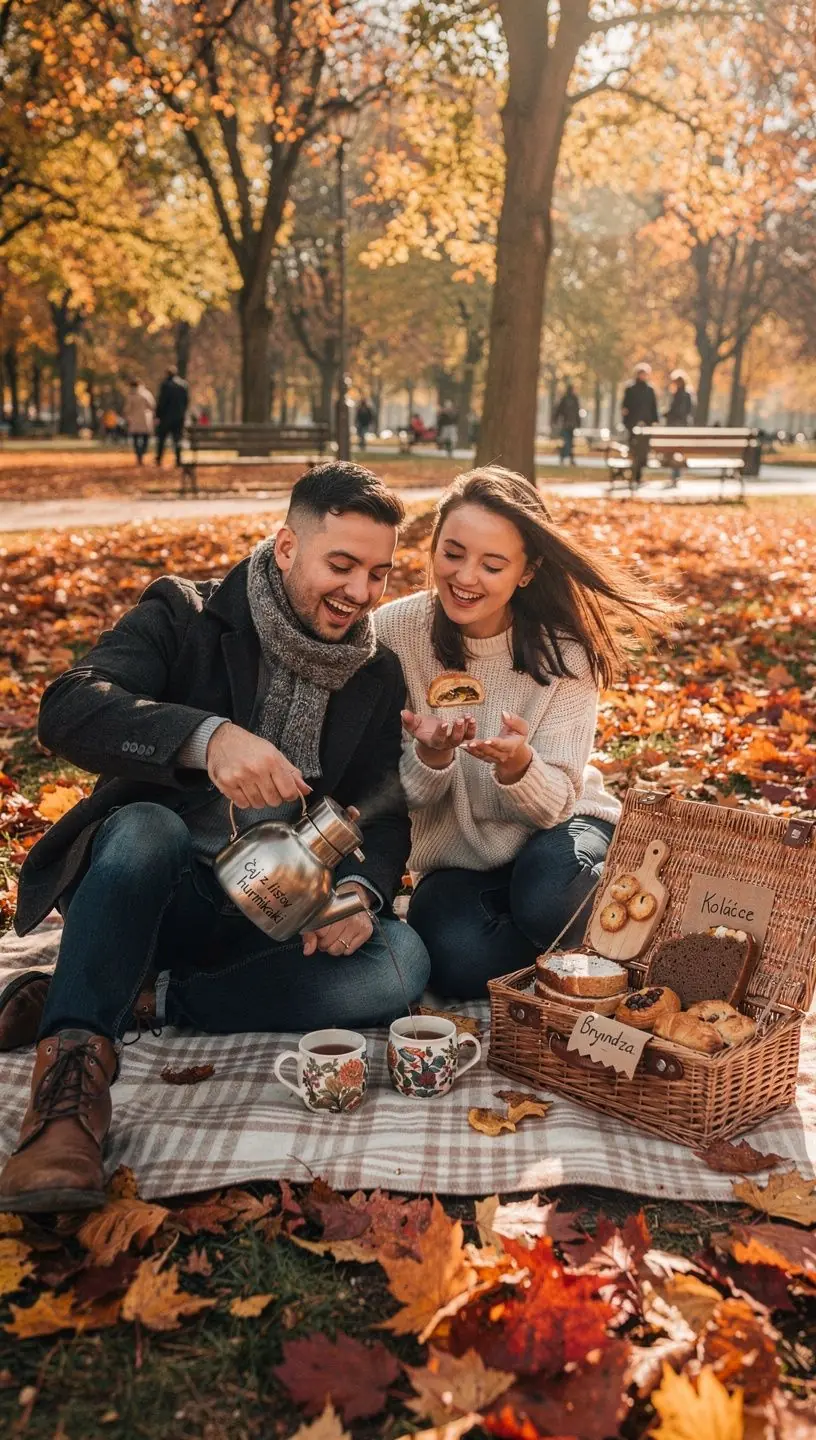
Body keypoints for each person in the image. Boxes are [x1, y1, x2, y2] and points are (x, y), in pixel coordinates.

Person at [0, 462, 430, 1213]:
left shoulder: (375, 670)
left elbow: (382, 815)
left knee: (400, 964)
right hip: (156, 889)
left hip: (272, 918)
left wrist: (361, 894)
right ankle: (68, 1099)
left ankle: (142, 998)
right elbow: (68, 707)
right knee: (145, 827)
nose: (360, 592)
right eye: (341, 565)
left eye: (378, 573)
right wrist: (208, 739)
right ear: (287, 547)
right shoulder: (185, 612)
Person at [375, 467, 673, 998]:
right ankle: (586, 950)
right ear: (434, 545)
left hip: (560, 829)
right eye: (452, 553)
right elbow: (391, 797)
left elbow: (556, 803)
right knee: (456, 961)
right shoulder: (392, 633)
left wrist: (519, 767)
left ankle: (602, 923)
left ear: (527, 572)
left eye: (492, 565)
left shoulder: (565, 653)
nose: (466, 577)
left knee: (548, 898)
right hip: (459, 860)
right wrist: (431, 756)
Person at [621, 364, 659, 485]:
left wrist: (654, 420)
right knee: (634, 449)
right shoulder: (630, 389)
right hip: (633, 423)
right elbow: (625, 407)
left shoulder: (650, 390)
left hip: (646, 424)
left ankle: (638, 473)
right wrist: (626, 422)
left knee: (643, 450)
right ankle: (634, 472)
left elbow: (653, 406)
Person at [664, 370, 694, 488]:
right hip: (683, 426)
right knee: (679, 450)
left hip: (675, 427)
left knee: (674, 450)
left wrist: (667, 415)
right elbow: (689, 411)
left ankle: (675, 474)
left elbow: (677, 411)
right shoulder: (688, 395)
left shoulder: (679, 395)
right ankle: (676, 474)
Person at [155, 367, 189, 468]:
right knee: (177, 439)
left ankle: (159, 459)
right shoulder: (183, 385)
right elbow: (186, 401)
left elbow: (161, 401)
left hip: (166, 417)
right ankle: (178, 459)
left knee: (162, 439)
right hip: (179, 417)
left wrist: (158, 415)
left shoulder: (165, 385)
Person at [122, 379, 156, 466]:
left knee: (135, 438)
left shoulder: (130, 395)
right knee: (145, 437)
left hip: (134, 419)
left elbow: (127, 408)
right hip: (145, 419)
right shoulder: (146, 394)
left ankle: (138, 455)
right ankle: (142, 452)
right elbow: (152, 405)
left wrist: (127, 417)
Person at [553, 383, 581, 464]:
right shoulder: (573, 399)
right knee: (569, 441)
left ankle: (565, 457)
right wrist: (578, 422)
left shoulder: (566, 399)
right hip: (570, 424)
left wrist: (555, 419)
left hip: (567, 424)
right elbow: (577, 412)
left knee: (568, 441)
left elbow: (559, 410)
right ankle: (568, 457)